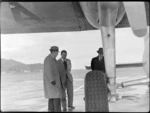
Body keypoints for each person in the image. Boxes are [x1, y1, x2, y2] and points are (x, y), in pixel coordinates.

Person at [43, 46, 62, 112]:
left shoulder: (53, 59)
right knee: (56, 101)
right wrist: (52, 80)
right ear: (54, 52)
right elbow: (48, 70)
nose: (57, 54)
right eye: (57, 52)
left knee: (52, 100)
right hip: (53, 84)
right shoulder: (48, 59)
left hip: (54, 84)